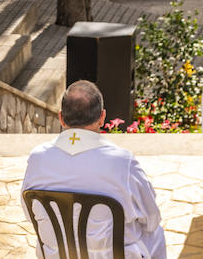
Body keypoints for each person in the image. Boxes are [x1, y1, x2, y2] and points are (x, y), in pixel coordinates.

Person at [22, 81, 167, 259]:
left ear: (61, 118)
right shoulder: (122, 162)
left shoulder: (38, 158)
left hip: (58, 256)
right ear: (102, 117)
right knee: (155, 233)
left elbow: (31, 216)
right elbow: (151, 218)